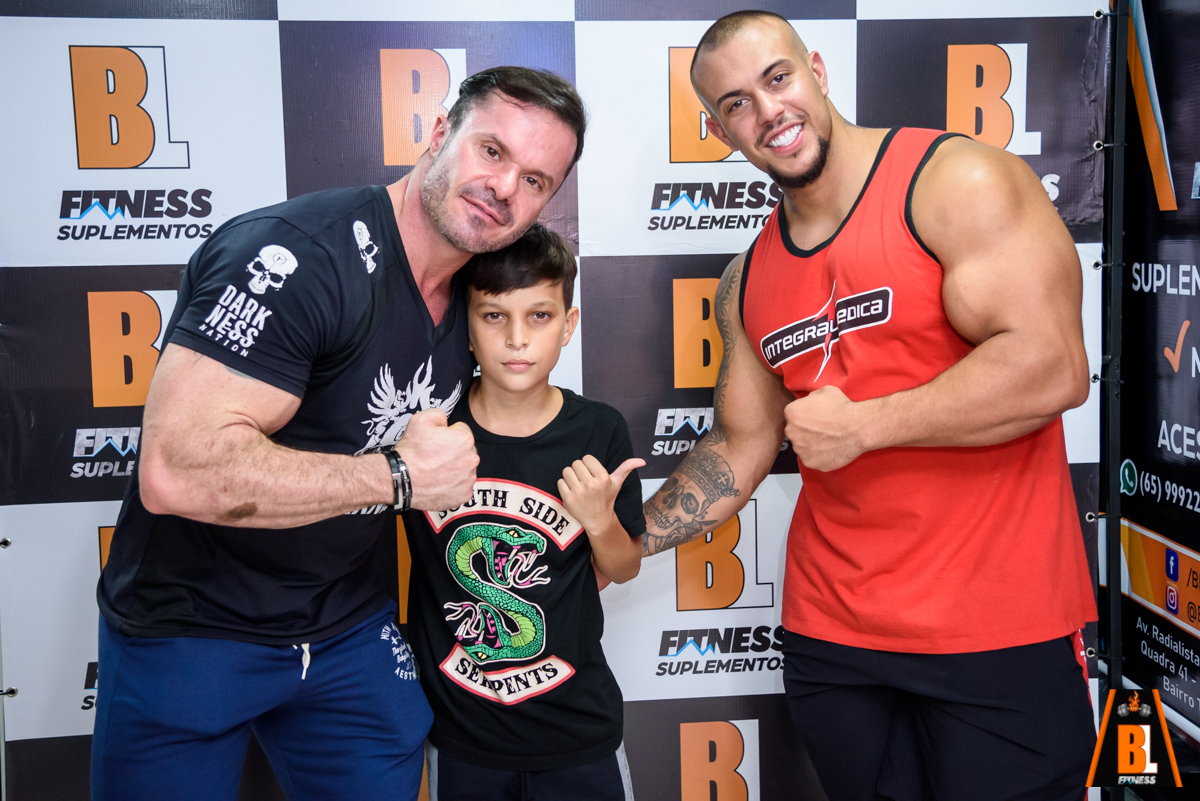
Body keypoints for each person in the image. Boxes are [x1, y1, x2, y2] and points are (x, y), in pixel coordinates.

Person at [91, 67, 585, 801]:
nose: (505, 187)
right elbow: (176, 468)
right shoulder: (298, 256)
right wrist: (398, 477)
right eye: (491, 151)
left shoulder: (484, 295)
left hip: (348, 625)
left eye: (536, 180)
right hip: (195, 625)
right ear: (440, 133)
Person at [641, 11, 1098, 800]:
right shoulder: (747, 276)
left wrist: (869, 425)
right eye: (737, 104)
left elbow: (1053, 366)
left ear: (816, 69)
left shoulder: (956, 181)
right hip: (835, 641)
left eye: (777, 78)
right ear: (719, 131)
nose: (768, 111)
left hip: (996, 633)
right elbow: (741, 445)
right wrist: (622, 538)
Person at [403, 223, 644, 801]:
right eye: (494, 316)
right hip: (463, 734)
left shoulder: (598, 429)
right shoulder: (428, 433)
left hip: (578, 728)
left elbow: (625, 565)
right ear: (464, 325)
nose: (516, 339)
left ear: (569, 324)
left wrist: (599, 519)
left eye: (539, 316)